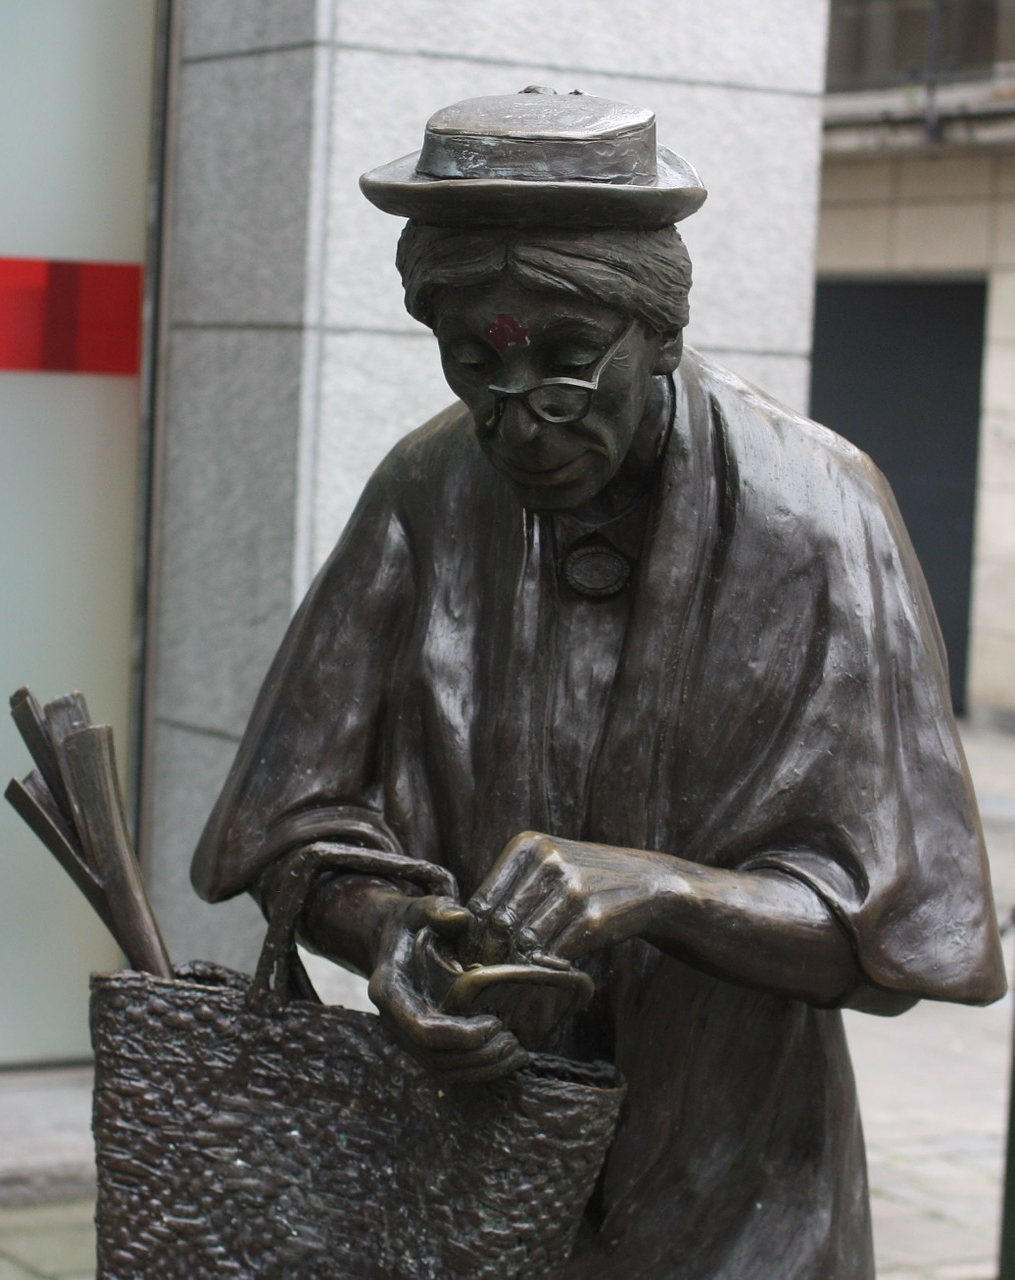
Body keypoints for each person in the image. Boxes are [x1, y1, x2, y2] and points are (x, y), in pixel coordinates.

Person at [191, 90, 1005, 1278]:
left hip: (739, 1192)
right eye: (478, 369)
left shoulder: (817, 515)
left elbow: (900, 939)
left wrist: (663, 892)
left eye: (571, 368)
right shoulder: (428, 486)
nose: (520, 426)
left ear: (658, 334)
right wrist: (395, 934)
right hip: (465, 1181)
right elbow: (283, 825)